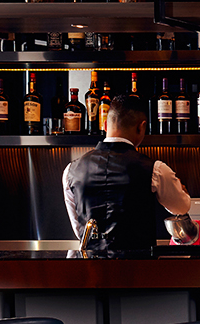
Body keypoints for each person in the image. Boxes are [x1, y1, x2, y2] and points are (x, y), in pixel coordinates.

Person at [63, 94, 193, 255]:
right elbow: (181, 207)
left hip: (92, 271)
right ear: (141, 127)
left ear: (104, 125)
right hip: (137, 270)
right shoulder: (155, 168)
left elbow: (79, 230)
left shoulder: (71, 170)